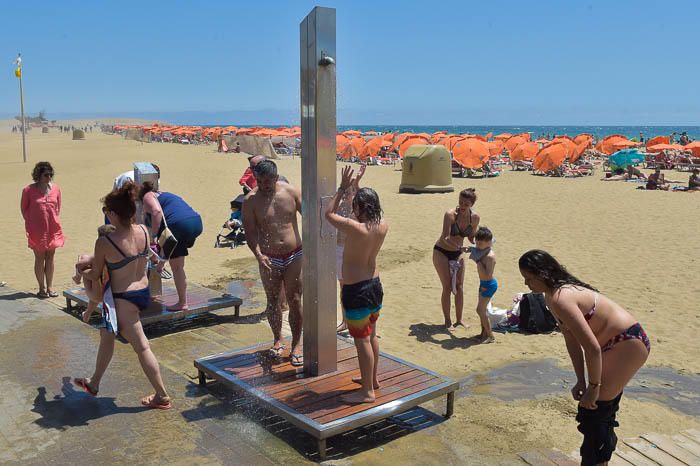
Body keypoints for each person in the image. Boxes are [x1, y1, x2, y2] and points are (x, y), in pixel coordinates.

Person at [518, 250, 649, 466]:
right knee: (595, 414)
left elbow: (592, 348)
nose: (526, 283)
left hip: (627, 343)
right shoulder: (551, 297)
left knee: (595, 412)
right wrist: (581, 380)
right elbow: (572, 342)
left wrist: (594, 386)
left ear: (542, 274)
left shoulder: (562, 297)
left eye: (529, 278)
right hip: (611, 345)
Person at [73, 183, 171, 409]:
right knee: (107, 334)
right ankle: (94, 382)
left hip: (122, 299)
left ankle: (162, 396)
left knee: (143, 347)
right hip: (141, 292)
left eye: (107, 211)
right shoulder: (144, 232)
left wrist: (81, 270)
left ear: (114, 214)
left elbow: (97, 273)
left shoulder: (105, 241)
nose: (106, 214)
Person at [325, 166, 388, 404]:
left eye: (356, 206)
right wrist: (359, 188)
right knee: (372, 335)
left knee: (361, 340)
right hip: (374, 285)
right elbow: (368, 206)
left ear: (360, 208)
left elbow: (328, 214)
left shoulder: (356, 228)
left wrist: (342, 188)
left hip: (357, 290)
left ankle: (367, 393)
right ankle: (372, 380)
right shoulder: (382, 224)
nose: (353, 209)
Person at [242, 160, 304, 366]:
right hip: (268, 257)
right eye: (259, 181)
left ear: (276, 178)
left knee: (295, 299)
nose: (264, 185)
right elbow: (250, 233)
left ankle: (296, 344)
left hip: (294, 254)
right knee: (273, 300)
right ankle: (278, 338)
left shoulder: (291, 192)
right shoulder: (251, 200)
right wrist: (259, 255)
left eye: (268, 181)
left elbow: (312, 218)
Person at [140, 182, 203, 311]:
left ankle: (182, 303)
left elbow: (156, 212)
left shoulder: (147, 195)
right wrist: (161, 264)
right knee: (177, 261)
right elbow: (169, 246)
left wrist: (154, 235)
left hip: (178, 225)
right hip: (196, 222)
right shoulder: (166, 194)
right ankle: (182, 301)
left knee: (177, 267)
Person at [432, 188, 480, 328]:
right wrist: (459, 247)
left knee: (459, 286)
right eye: (460, 202)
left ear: (472, 204)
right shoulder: (450, 215)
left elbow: (471, 237)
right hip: (442, 251)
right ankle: (447, 320)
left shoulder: (474, 218)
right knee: (447, 287)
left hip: (458, 252)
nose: (462, 206)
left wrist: (479, 243)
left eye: (466, 204)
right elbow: (445, 237)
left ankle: (459, 320)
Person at [21, 162, 65, 298]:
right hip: (37, 230)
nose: (49, 177)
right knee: (40, 258)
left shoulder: (56, 189)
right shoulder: (28, 190)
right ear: (38, 175)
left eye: (51, 174)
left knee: (50, 257)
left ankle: (50, 287)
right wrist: (31, 224)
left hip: (53, 228)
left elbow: (58, 207)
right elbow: (24, 209)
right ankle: (41, 288)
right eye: (46, 175)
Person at [336, 163, 366, 333]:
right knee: (342, 288)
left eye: (351, 191)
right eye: (346, 191)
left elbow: (366, 200)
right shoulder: (339, 207)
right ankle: (345, 321)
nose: (348, 194)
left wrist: (358, 182)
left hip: (352, 252)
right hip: (338, 251)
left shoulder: (358, 210)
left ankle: (358, 321)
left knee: (355, 287)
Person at [73, 224, 117, 322]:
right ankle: (88, 312)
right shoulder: (120, 254)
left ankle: (77, 278)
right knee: (101, 276)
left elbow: (79, 265)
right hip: (116, 294)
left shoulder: (97, 258)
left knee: (85, 260)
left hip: (98, 295)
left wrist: (80, 272)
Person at [466, 227, 497, 343]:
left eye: (480, 242)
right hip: (483, 284)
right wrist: (468, 249)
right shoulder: (481, 249)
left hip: (489, 285)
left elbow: (488, 275)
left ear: (488, 242)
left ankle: (490, 336)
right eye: (477, 241)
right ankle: (483, 333)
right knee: (482, 310)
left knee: (480, 310)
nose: (478, 244)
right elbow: (474, 249)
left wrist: (478, 261)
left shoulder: (490, 256)